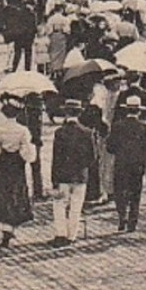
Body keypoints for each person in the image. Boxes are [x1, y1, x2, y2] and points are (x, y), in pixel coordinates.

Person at [0, 97, 37, 248]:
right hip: (17, 164)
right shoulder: (23, 130)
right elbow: (28, 153)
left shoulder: (0, 129)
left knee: (1, 194)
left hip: (3, 163)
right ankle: (10, 229)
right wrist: (27, 156)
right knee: (15, 194)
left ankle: (4, 230)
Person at [107, 95, 146, 233]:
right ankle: (132, 222)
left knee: (120, 191)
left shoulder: (117, 126)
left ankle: (122, 216)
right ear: (139, 111)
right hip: (137, 165)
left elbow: (109, 147)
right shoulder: (144, 127)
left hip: (121, 164)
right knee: (135, 193)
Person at [49, 99, 95, 246]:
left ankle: (60, 234)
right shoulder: (87, 132)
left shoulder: (60, 132)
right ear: (79, 113)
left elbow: (56, 157)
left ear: (66, 113)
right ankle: (72, 235)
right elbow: (92, 157)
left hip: (63, 175)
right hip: (80, 175)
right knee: (76, 206)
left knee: (59, 204)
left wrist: (53, 178)